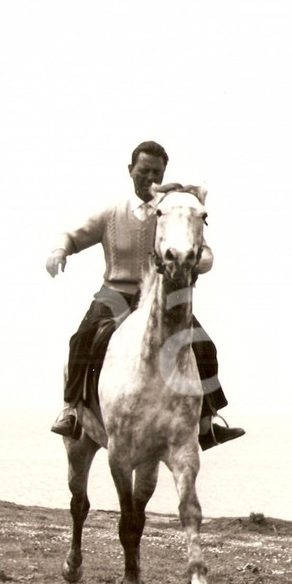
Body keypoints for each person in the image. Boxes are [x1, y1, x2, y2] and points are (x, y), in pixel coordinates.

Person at [45, 140, 244, 451]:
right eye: (143, 170)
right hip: (115, 293)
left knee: (204, 345)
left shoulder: (174, 211)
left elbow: (203, 251)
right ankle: (72, 411)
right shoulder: (111, 212)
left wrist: (199, 262)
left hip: (161, 297)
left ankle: (208, 422)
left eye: (157, 171)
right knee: (82, 338)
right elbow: (71, 235)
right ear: (130, 171)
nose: (150, 177)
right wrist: (60, 250)